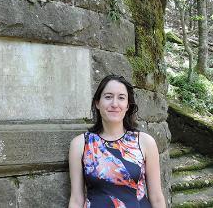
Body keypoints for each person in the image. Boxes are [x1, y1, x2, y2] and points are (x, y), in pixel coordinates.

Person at [68, 75, 166, 208]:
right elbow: (76, 200)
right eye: (108, 97)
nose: (114, 104)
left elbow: (157, 198)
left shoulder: (145, 142)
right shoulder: (80, 144)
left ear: (127, 105)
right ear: (97, 103)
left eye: (121, 98)